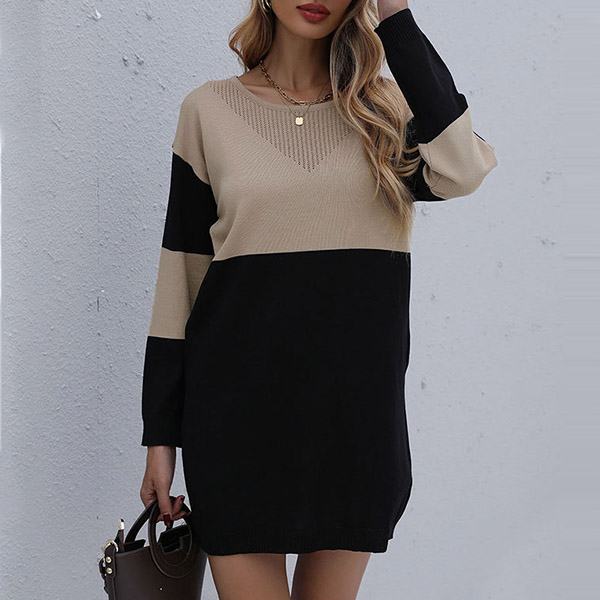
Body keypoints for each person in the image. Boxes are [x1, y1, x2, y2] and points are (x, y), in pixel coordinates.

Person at [138, 1, 498, 598]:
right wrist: (160, 436)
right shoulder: (207, 111)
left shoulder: (386, 112)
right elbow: (182, 278)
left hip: (354, 431)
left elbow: (464, 169)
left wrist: (396, 16)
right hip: (237, 431)